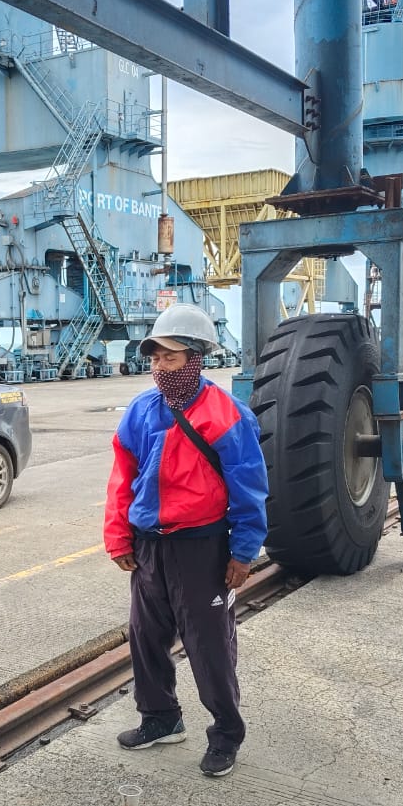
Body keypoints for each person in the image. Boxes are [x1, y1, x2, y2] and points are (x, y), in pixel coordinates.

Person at [103, 303, 268, 778]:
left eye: (171, 358)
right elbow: (122, 478)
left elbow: (249, 487)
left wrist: (243, 552)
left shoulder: (226, 413)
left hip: (202, 546)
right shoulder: (141, 410)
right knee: (145, 637)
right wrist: (118, 535)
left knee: (209, 645)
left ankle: (226, 734)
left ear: (196, 358)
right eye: (156, 358)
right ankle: (160, 718)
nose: (161, 367)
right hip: (149, 545)